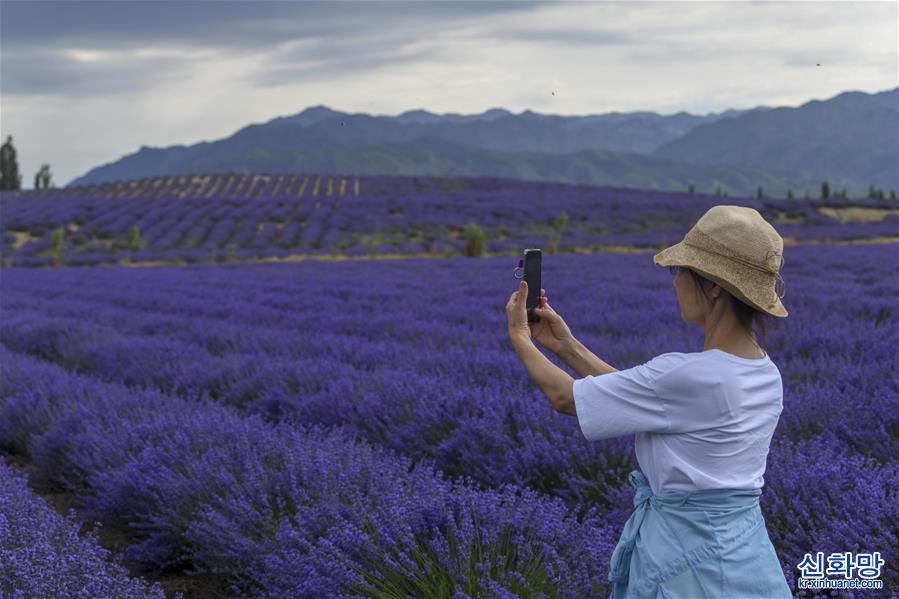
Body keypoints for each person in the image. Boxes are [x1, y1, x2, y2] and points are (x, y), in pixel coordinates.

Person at [505, 205, 792, 598]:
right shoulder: (764, 371)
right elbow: (642, 397)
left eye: (680, 273)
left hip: (687, 563)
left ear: (713, 286)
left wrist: (520, 336)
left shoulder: (689, 374)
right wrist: (565, 346)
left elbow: (565, 398)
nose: (675, 284)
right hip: (743, 551)